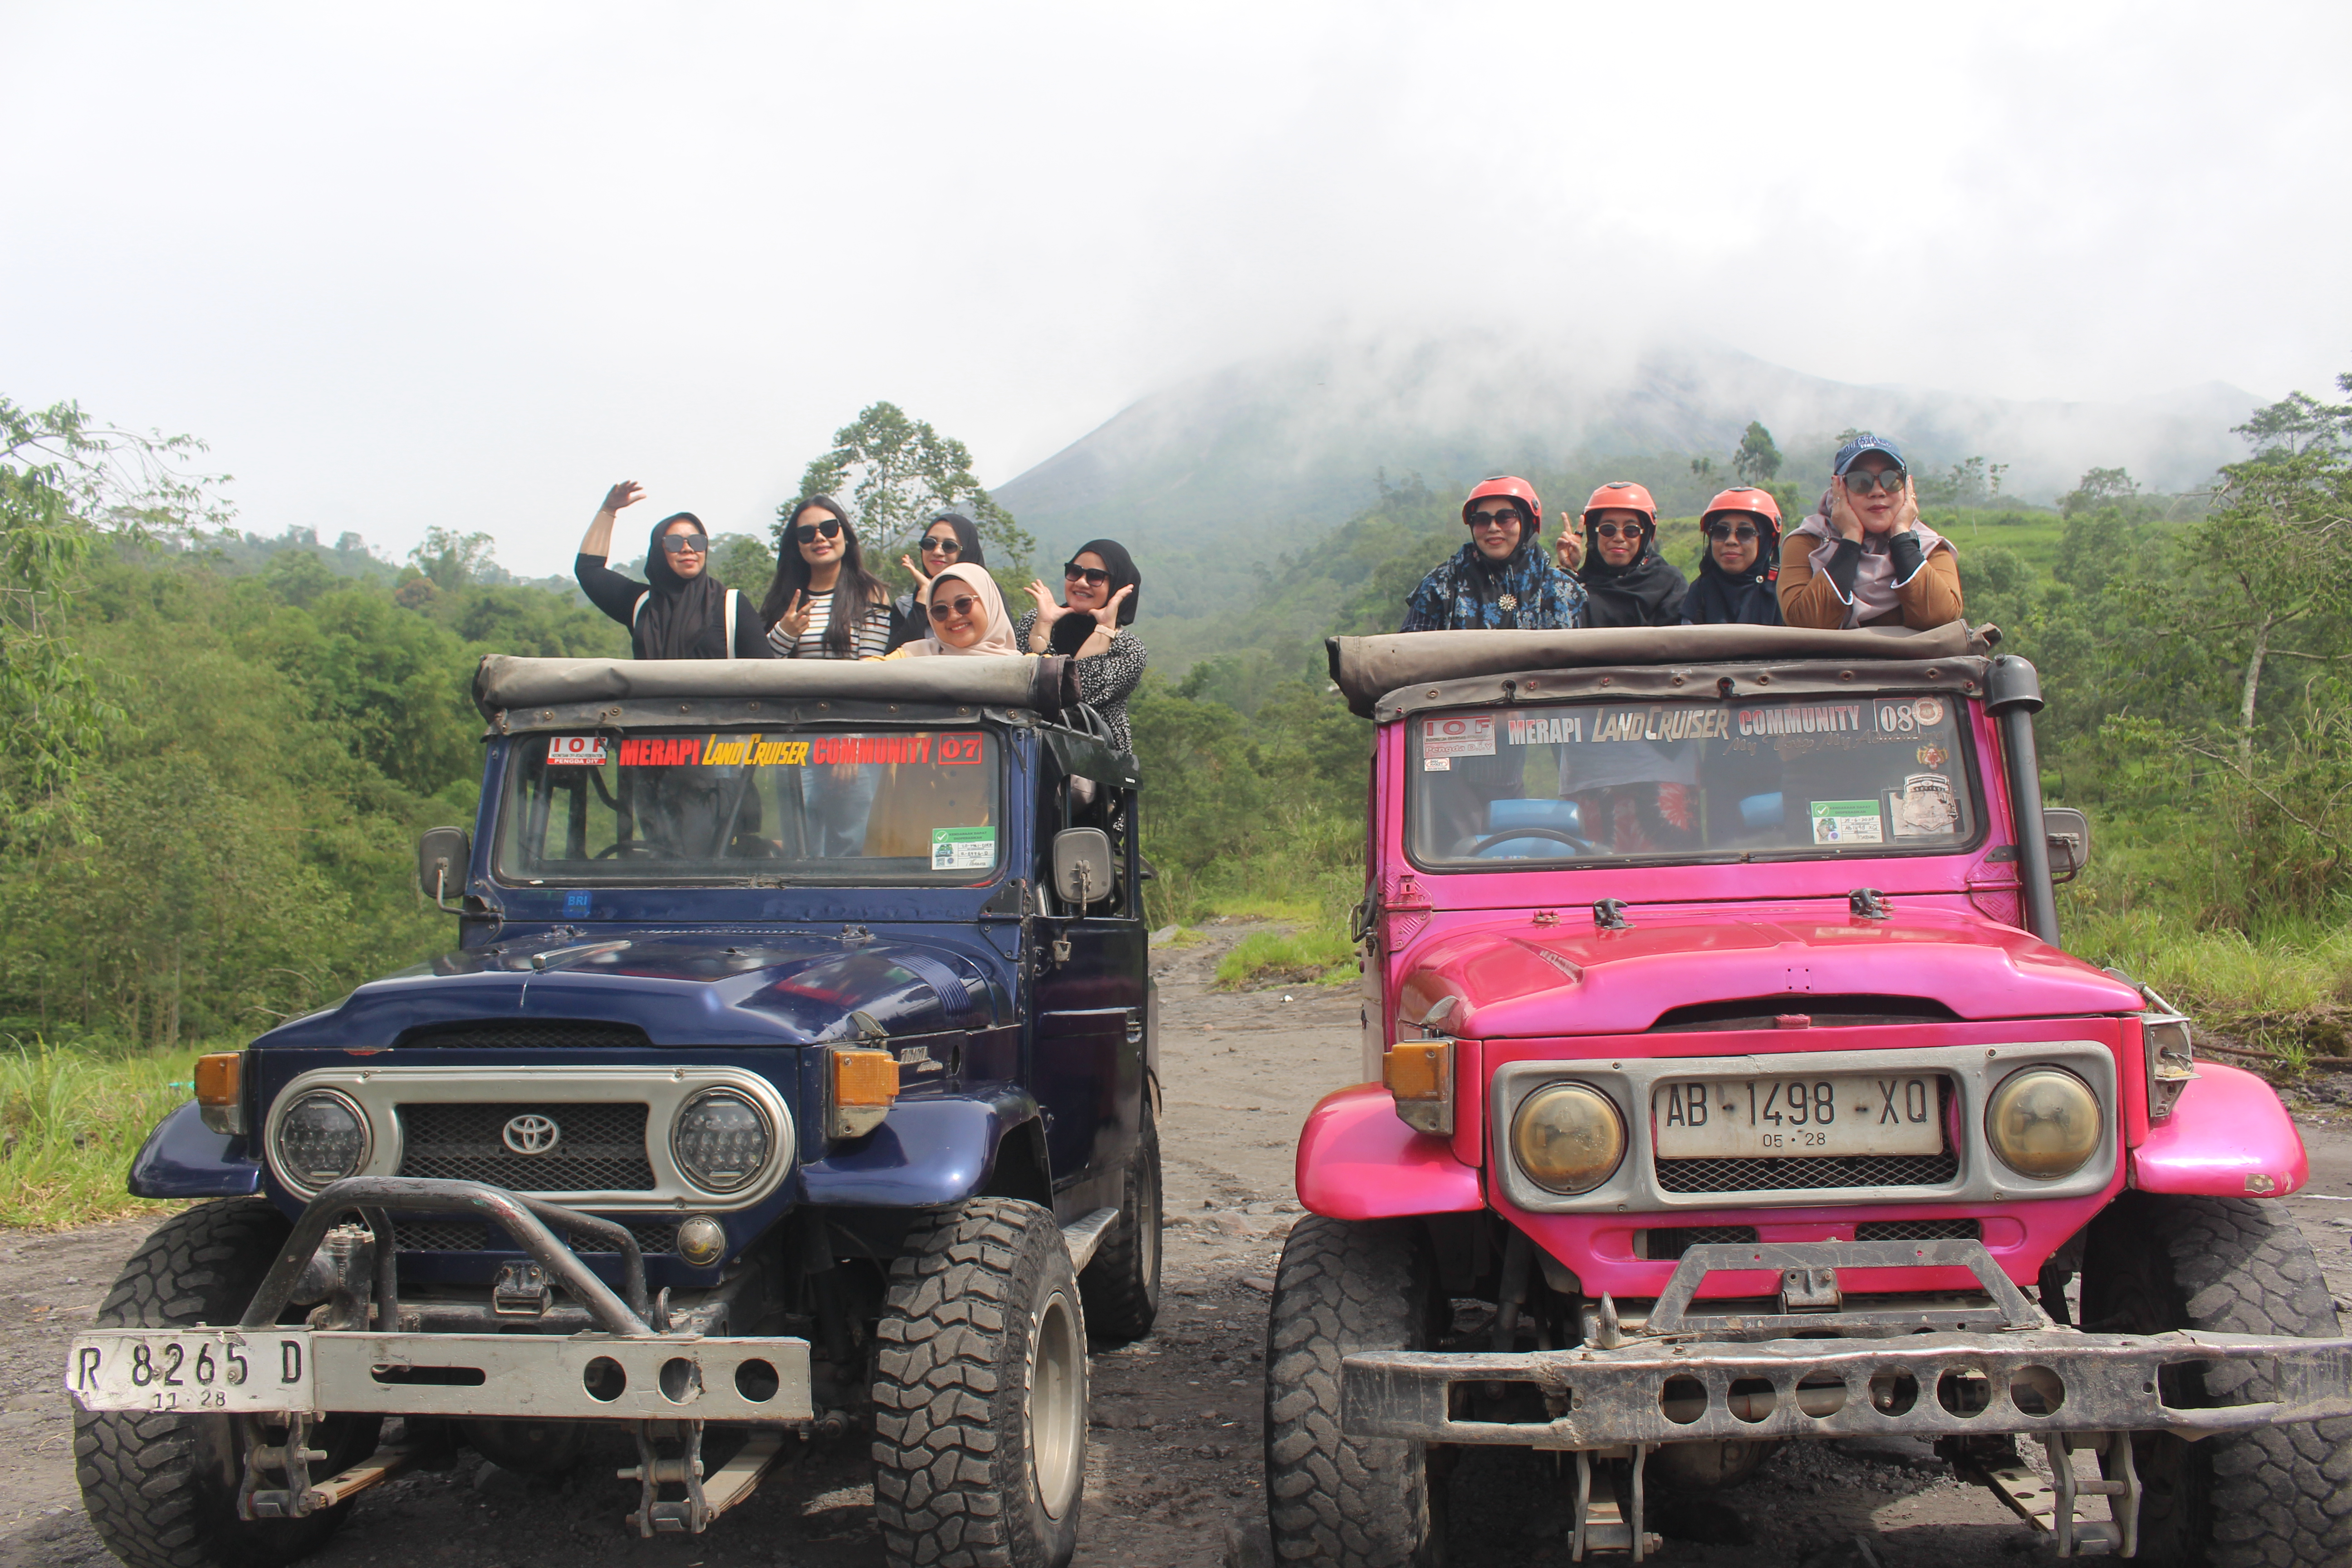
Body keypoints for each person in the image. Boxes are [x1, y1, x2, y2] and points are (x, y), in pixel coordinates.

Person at [1779, 435, 1963, 630]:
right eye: (1860, 481)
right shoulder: (1809, 542)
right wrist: (1851, 539)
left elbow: (1941, 617)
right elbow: (1806, 623)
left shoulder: (1930, 547)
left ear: (1907, 488)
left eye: (1891, 479)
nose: (1878, 491)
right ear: (1838, 489)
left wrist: (1901, 537)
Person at [573, 482, 773, 659]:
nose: (688, 549)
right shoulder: (643, 605)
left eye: (697, 541)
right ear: (659, 552)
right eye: (675, 543)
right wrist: (608, 510)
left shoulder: (731, 605)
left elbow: (763, 674)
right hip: (652, 703)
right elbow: (589, 569)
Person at [1400, 476, 1587, 632]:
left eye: (1505, 518)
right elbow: (1410, 657)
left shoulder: (1559, 588)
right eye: (1482, 520)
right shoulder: (1441, 585)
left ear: (1527, 523)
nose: (1493, 528)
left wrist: (1571, 570)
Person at [1018, 539, 1146, 754]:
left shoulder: (1128, 649)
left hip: (1096, 767)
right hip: (1030, 756)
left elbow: (1072, 695)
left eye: (1095, 577)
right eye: (1075, 572)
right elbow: (1024, 687)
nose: (1081, 582)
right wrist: (1043, 628)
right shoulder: (1036, 621)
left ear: (1118, 586)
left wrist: (1104, 631)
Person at [763, 496, 894, 659]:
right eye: (806, 533)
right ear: (797, 544)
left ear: (845, 535)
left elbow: (872, 666)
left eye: (829, 529)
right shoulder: (781, 598)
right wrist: (784, 635)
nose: (819, 538)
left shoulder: (869, 593)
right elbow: (761, 668)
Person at [1574, 481, 1687, 627]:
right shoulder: (1577, 586)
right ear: (1593, 535)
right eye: (1608, 529)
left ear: (1645, 535)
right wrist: (1568, 571)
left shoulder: (1668, 584)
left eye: (1631, 530)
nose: (1619, 538)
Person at [1681, 487, 1785, 626]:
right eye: (1720, 531)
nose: (1731, 541)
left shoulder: (1783, 592)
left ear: (1767, 541)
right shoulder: (1701, 591)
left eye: (1746, 533)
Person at [888, 510, 987, 650]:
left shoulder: (988, 599)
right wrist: (923, 600)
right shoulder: (905, 607)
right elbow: (893, 661)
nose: (937, 552)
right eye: (929, 544)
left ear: (967, 551)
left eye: (949, 546)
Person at [880, 563, 1025, 658]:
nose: (953, 616)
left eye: (963, 603)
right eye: (940, 610)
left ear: (990, 604)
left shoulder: (1029, 671)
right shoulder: (912, 656)